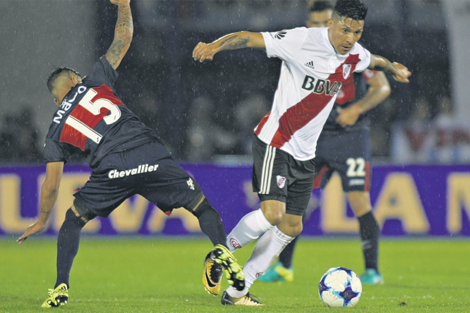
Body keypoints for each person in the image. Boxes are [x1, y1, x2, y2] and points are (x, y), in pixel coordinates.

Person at [16, 0, 245, 308]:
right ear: (74, 81)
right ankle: (220, 250)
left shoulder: (54, 130)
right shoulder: (95, 81)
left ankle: (60, 288)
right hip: (149, 153)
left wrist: (43, 219)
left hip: (111, 169)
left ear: (57, 100)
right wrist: (124, 5)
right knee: (202, 208)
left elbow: (52, 185)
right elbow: (123, 39)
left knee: (72, 221)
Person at [193, 0, 410, 306]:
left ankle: (239, 290)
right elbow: (250, 36)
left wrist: (393, 67)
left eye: (357, 32)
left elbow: (374, 61)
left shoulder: (355, 54)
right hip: (276, 141)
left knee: (293, 226)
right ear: (331, 24)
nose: (350, 38)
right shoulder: (303, 41)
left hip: (305, 154)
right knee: (273, 214)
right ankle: (221, 254)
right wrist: (216, 45)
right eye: (345, 29)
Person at [259, 0, 390, 285]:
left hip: (350, 138)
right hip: (314, 136)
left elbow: (382, 87)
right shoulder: (306, 46)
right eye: (314, 23)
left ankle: (372, 270)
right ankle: (283, 267)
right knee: (297, 204)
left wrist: (356, 110)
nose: (319, 28)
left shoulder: (351, 52)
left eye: (323, 22)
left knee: (359, 201)